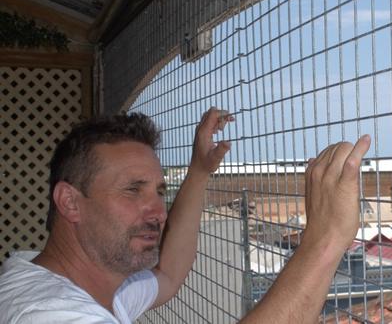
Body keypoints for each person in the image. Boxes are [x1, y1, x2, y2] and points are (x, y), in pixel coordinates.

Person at [0, 107, 371, 323]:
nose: (158, 211)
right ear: (69, 202)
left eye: (159, 191)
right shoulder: (47, 313)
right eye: (133, 189)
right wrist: (324, 242)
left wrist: (198, 171)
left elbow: (169, 274)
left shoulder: (96, 287)